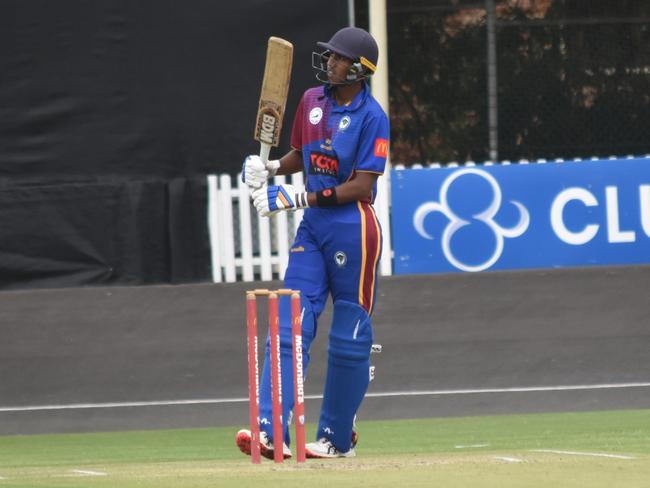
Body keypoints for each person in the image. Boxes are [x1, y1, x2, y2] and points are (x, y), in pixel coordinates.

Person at [236, 26, 389, 459]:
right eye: (331, 56)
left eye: (339, 59)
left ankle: (337, 438)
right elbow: (301, 155)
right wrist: (269, 170)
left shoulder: (372, 116)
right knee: (288, 322)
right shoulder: (311, 101)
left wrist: (299, 196)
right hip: (314, 228)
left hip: (353, 228)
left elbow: (361, 187)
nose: (331, 63)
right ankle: (269, 431)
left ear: (358, 69)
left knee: (347, 337)